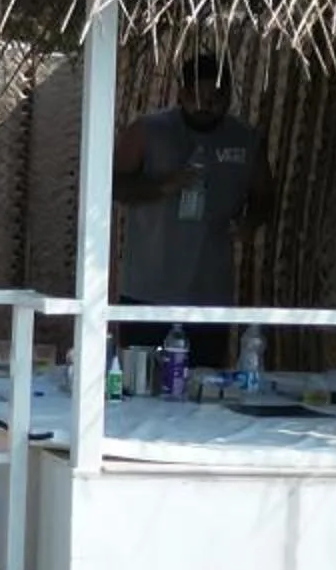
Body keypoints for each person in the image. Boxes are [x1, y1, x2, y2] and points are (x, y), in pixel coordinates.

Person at [112, 50, 271, 369]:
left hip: (209, 294)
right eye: (200, 96)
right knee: (140, 387)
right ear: (182, 93)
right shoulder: (147, 131)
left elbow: (264, 195)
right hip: (148, 291)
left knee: (204, 387)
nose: (208, 106)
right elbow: (112, 186)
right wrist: (162, 187)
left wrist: (250, 222)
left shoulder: (245, 139)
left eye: (218, 97)